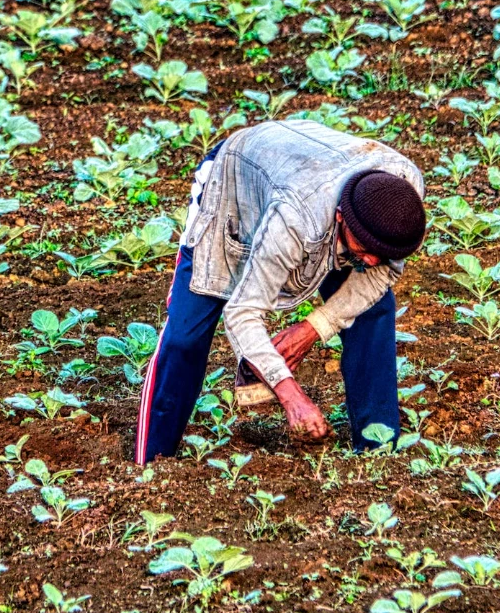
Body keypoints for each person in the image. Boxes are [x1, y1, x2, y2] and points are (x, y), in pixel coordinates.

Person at [133, 120, 427, 465]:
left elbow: (382, 275)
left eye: (384, 251)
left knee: (372, 310)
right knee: (186, 334)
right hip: (235, 181)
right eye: (363, 247)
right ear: (340, 218)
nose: (374, 259)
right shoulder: (294, 220)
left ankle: (378, 449)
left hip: (308, 167)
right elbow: (243, 313)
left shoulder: (402, 199)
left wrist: (314, 328)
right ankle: (152, 460)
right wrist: (291, 396)